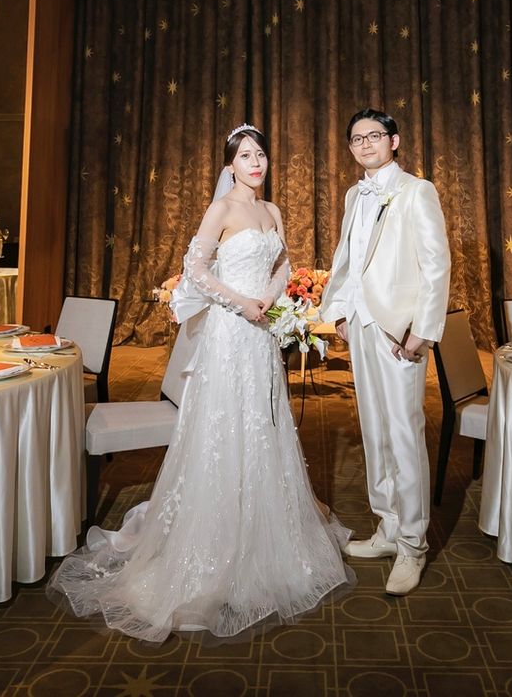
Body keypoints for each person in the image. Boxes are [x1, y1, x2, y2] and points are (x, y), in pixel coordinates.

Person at [49, 123, 353, 641]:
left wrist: (270, 299)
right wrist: (241, 302)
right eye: (245, 156)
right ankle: (214, 540)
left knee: (264, 422)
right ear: (230, 165)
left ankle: (265, 528)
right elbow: (195, 268)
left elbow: (283, 264)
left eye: (260, 154)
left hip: (261, 333)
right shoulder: (223, 210)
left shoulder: (272, 211)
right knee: (226, 426)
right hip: (230, 335)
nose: (255, 163)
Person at [321, 107, 451, 596]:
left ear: (393, 141)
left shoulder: (417, 191)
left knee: (403, 433)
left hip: (399, 330)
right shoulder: (354, 194)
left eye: (374, 135)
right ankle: (388, 527)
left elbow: (437, 265)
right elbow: (347, 258)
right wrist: (339, 311)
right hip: (360, 324)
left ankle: (414, 545)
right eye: (357, 139)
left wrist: (423, 331)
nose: (365, 144)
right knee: (374, 430)